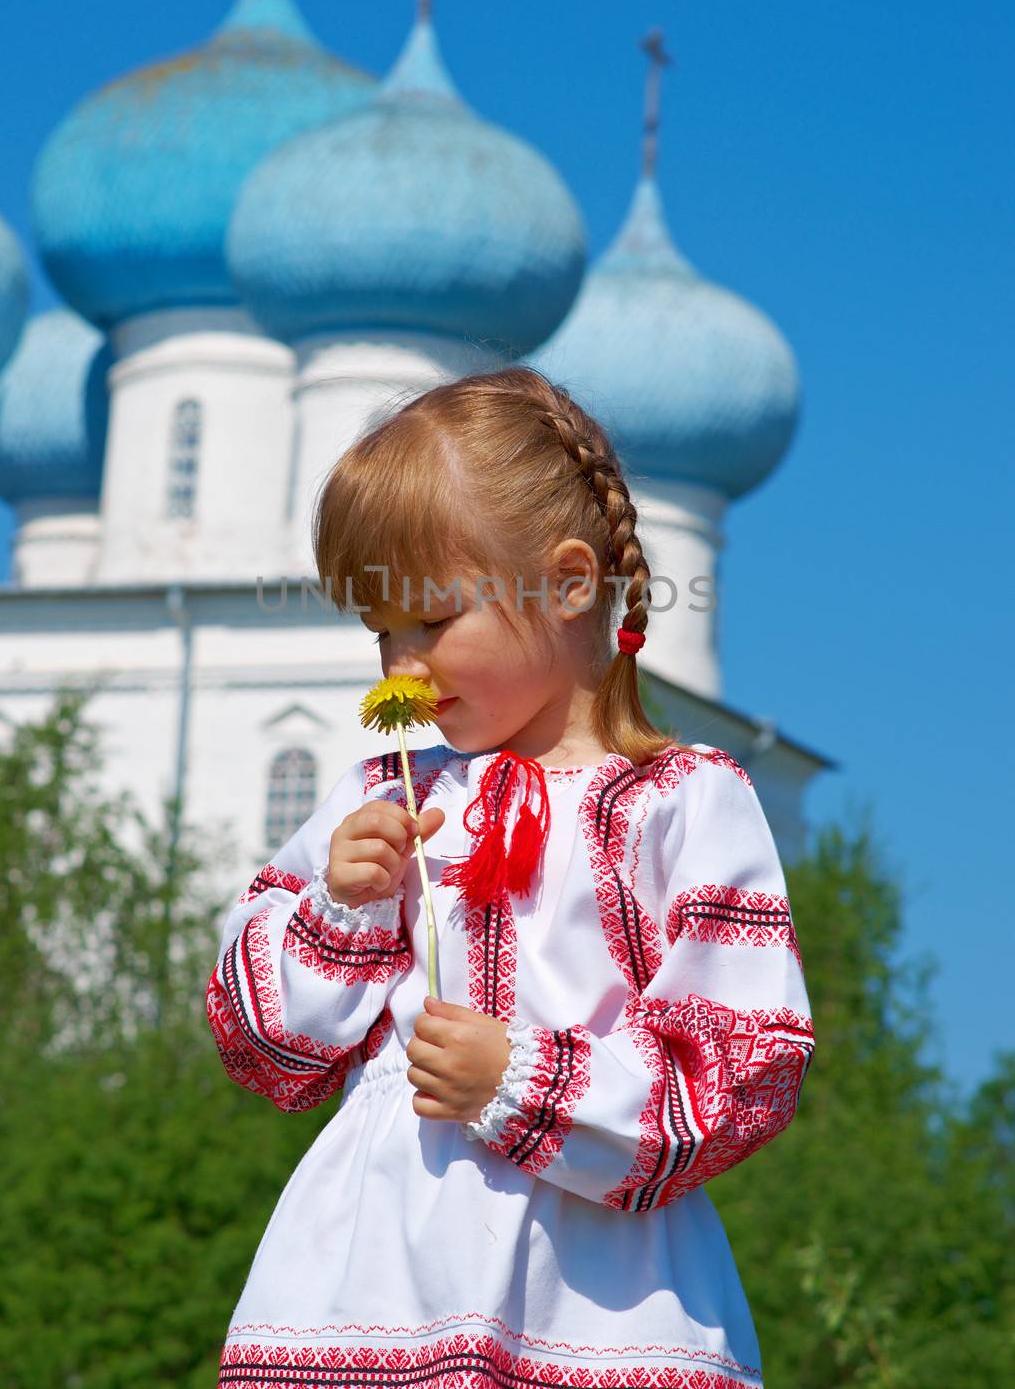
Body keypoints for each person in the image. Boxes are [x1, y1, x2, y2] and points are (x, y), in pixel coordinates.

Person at [205, 365, 814, 1388]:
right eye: (379, 630)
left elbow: (740, 1065)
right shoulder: (382, 792)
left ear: (569, 584)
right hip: (372, 1283)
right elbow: (267, 1051)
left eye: (431, 621)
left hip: (595, 1291)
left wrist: (522, 1081)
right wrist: (340, 909)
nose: (399, 664)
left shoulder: (680, 802)